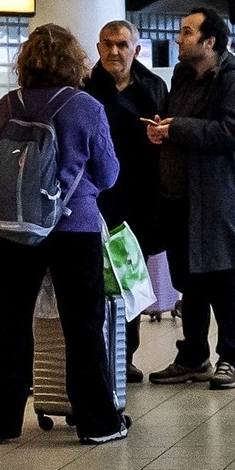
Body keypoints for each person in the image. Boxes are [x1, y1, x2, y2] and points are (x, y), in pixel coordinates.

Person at [0, 24, 127, 444]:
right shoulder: (86, 106)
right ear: (75, 62)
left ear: (26, 62)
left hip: (14, 227)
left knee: (6, 323)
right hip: (73, 228)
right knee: (82, 325)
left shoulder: (9, 104)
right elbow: (109, 174)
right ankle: (98, 423)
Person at [146, 5, 235, 391]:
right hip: (179, 197)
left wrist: (178, 128)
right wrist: (159, 130)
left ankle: (230, 358)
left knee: (221, 277)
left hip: (217, 198)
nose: (178, 38)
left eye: (186, 31)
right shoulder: (183, 76)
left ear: (209, 41)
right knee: (189, 280)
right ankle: (193, 355)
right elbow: (172, 126)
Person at [86, 21, 172, 356]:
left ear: (136, 50)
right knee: (94, 279)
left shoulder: (153, 89)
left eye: (122, 45)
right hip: (95, 199)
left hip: (141, 198)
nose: (114, 52)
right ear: (98, 48)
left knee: (128, 276)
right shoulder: (85, 88)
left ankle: (125, 356)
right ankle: (99, 355)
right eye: (107, 44)